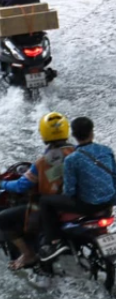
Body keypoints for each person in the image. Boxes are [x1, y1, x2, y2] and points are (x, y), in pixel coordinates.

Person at [37, 117, 116, 262]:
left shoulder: (72, 159)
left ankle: (54, 242)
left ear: (73, 135)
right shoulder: (106, 150)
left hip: (86, 206)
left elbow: (70, 190)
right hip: (107, 204)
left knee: (44, 201)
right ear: (92, 132)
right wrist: (113, 201)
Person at [0, 113, 74, 269]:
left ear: (43, 133)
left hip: (53, 207)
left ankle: (28, 255)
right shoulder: (78, 152)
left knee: (3, 219)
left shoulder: (43, 161)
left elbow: (21, 186)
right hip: (79, 203)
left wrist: (3, 184)